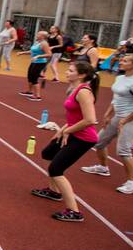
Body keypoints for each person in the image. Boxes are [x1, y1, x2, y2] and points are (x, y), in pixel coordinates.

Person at [31, 62, 99, 222]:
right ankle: (54, 191)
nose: (66, 72)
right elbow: (76, 116)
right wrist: (62, 129)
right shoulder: (73, 89)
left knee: (56, 169)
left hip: (83, 138)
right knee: (48, 153)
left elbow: (90, 120)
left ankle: (74, 211)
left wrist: (67, 131)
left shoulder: (83, 92)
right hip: (71, 131)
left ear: (81, 75)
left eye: (70, 70)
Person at [81, 54, 133, 195]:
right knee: (98, 142)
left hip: (131, 119)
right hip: (117, 116)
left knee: (124, 151)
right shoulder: (120, 78)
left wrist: (125, 120)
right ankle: (103, 167)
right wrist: (108, 113)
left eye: (125, 61)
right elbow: (116, 98)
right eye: (121, 60)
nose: (121, 62)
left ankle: (132, 183)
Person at [18, 31, 50, 101]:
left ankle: (38, 96)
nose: (37, 35)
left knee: (34, 78)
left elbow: (49, 54)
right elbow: (32, 51)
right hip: (33, 62)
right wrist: (23, 52)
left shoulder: (44, 44)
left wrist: (38, 56)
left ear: (43, 36)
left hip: (40, 63)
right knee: (30, 76)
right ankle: (29, 91)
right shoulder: (37, 42)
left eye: (39, 34)